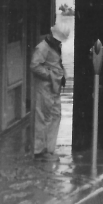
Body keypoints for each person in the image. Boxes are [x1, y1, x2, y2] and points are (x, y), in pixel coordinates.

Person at [30, 23, 69, 159]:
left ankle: (49, 148)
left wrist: (60, 76)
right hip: (45, 88)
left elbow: (56, 63)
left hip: (54, 87)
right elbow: (34, 66)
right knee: (43, 118)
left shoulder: (55, 47)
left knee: (55, 116)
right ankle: (40, 150)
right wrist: (51, 75)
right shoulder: (42, 48)